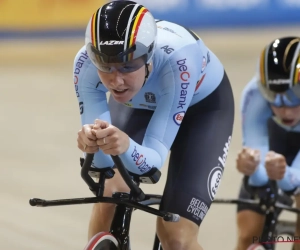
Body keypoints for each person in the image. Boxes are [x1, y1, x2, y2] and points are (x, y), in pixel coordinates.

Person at [74, 1, 234, 249]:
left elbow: (151, 163)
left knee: (176, 237)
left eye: (127, 66)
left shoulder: (178, 63)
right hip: (137, 102)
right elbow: (101, 165)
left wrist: (124, 146)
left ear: (148, 56)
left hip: (203, 110)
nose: (116, 81)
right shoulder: (85, 63)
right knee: (109, 192)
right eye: (105, 66)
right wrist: (91, 145)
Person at [236, 36, 300, 250]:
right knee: (249, 236)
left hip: (291, 166)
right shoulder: (254, 94)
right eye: (273, 97)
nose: (285, 111)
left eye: (295, 97)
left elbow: (295, 181)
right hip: (276, 146)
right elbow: (259, 180)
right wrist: (252, 167)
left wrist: (282, 175)